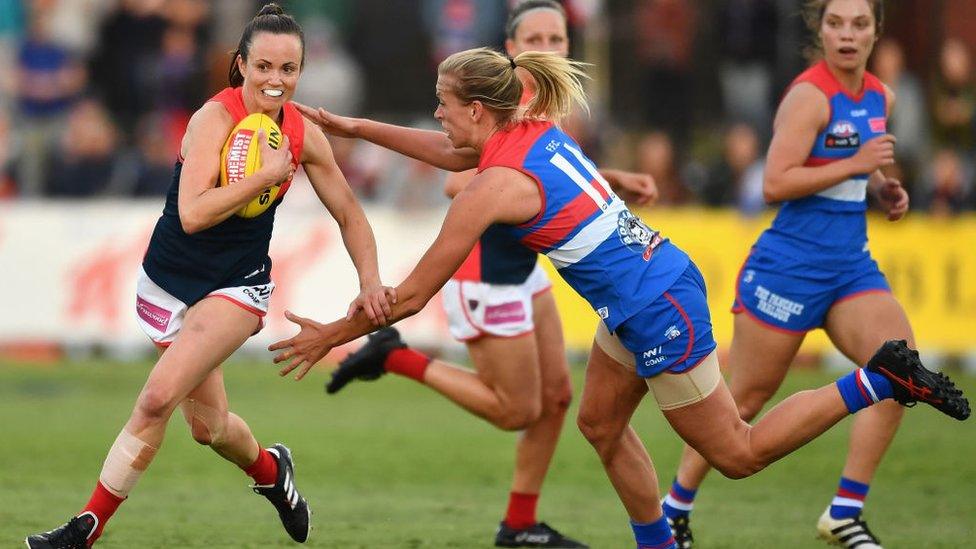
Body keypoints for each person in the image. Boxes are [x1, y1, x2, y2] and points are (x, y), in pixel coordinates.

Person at [273, 46, 969, 549]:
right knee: (600, 425)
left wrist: (330, 332)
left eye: (444, 105)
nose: (437, 115)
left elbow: (414, 293)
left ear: (478, 110)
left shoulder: (494, 187)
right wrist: (356, 129)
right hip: (647, 288)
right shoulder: (529, 129)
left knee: (738, 451)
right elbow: (457, 153)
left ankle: (878, 378)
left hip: (656, 306)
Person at [26, 4, 393, 547]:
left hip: (237, 285)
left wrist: (369, 279)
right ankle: (273, 473)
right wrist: (265, 177)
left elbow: (350, 214)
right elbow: (194, 214)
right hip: (166, 282)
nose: (276, 80)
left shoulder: (302, 133)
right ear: (241, 64)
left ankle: (84, 530)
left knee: (155, 401)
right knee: (210, 429)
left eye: (288, 70)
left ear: (300, 72)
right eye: (264, 66)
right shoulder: (211, 120)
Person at [325, 3, 654, 547]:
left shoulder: (546, 106)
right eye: (535, 37)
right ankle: (396, 356)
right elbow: (468, 184)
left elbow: (545, 176)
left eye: (557, 36)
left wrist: (606, 176)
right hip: (486, 272)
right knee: (517, 409)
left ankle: (520, 523)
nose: (549, 47)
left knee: (556, 398)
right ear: (509, 48)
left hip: (525, 266)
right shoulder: (497, 110)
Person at [660, 3, 926, 547]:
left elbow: (859, 161)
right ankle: (673, 508)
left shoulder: (881, 95)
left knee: (903, 370)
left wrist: (881, 188)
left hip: (850, 267)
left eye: (859, 24)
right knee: (744, 404)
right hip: (787, 269)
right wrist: (858, 167)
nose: (847, 35)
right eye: (835, 24)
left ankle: (845, 512)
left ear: (877, 30)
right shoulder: (809, 96)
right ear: (819, 30)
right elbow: (776, 183)